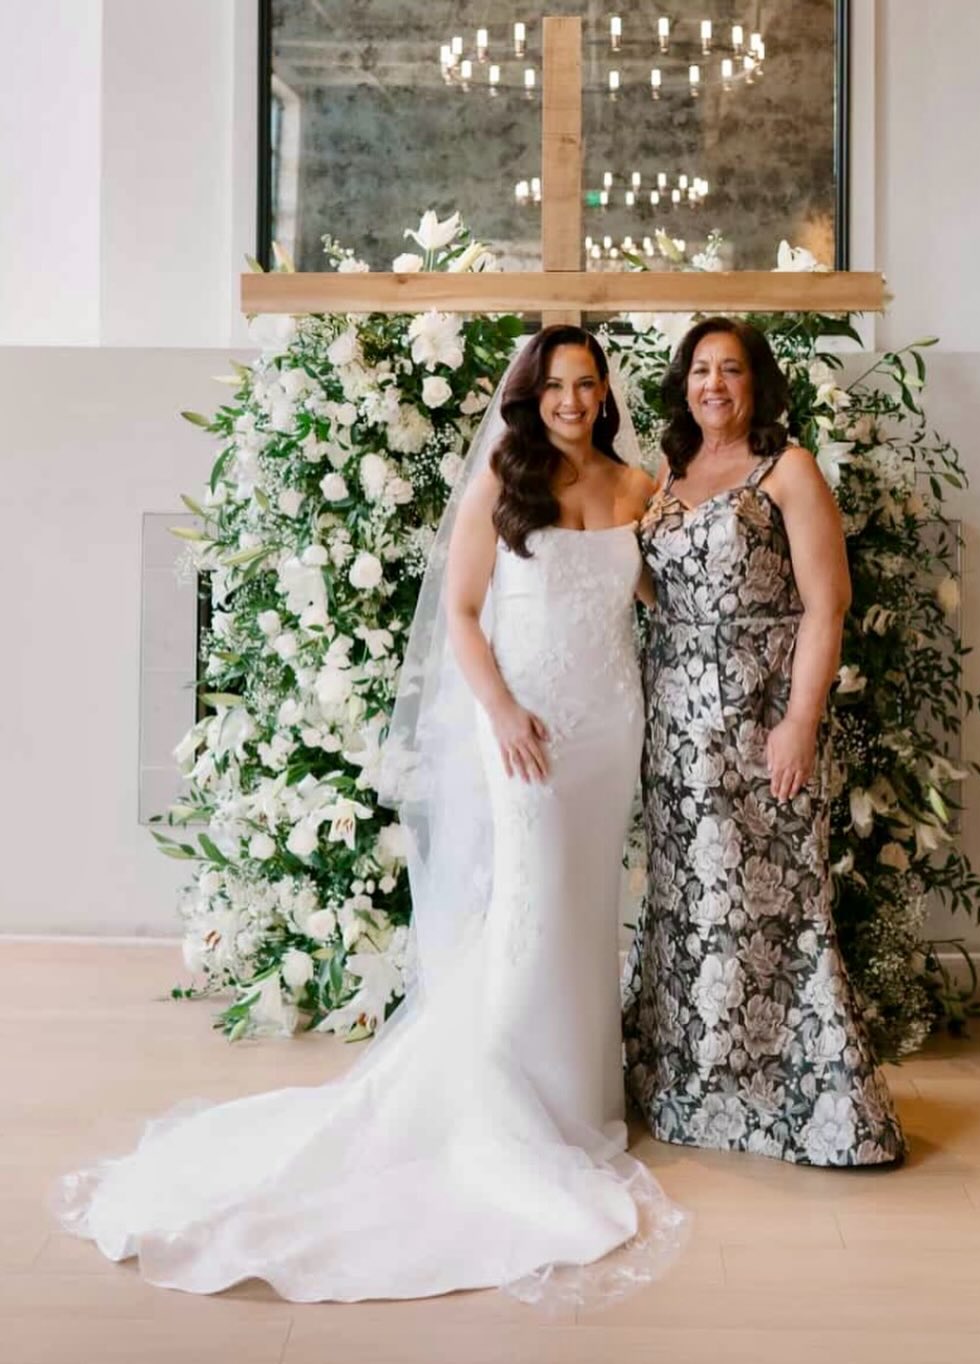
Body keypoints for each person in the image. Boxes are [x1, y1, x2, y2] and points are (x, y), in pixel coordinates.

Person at [53, 326, 683, 1304]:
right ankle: (513, 1103)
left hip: (611, 726)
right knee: (532, 901)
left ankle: (580, 1097)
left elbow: (649, 593)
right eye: (556, 385)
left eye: (587, 384)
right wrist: (505, 710)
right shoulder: (501, 488)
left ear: (606, 394)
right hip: (528, 726)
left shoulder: (638, 487)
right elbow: (466, 616)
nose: (572, 399)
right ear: (532, 396)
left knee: (586, 903)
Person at [623, 316, 906, 1167]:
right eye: (700, 370)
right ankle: (686, 1087)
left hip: (759, 720)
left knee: (775, 904)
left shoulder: (787, 470)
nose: (714, 384)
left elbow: (829, 602)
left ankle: (802, 1106)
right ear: (683, 385)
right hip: (673, 725)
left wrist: (798, 722)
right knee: (689, 907)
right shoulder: (664, 475)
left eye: (731, 370)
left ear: (757, 383)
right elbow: (649, 587)